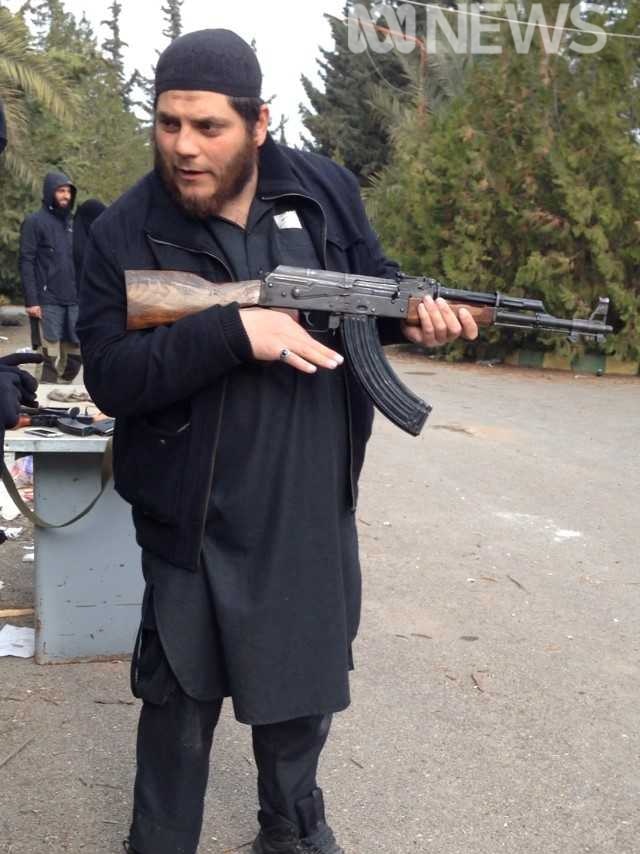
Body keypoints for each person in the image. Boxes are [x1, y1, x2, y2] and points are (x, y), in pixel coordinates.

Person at [77, 29, 478, 854]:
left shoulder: (323, 190)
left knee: (300, 697)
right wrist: (234, 332)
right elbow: (111, 376)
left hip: (303, 506)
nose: (184, 147)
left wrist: (418, 322)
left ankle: (291, 831)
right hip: (191, 516)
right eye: (168, 124)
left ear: (259, 123)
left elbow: (371, 286)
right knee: (179, 707)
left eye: (208, 128)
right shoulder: (122, 230)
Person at [19, 171, 81, 383]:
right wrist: (32, 300)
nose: (66, 196)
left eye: (68, 192)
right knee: (48, 359)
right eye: (61, 191)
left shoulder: (74, 224)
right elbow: (26, 261)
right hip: (46, 301)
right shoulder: (34, 222)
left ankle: (61, 396)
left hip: (74, 300)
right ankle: (42, 405)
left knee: (75, 357)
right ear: (49, 192)